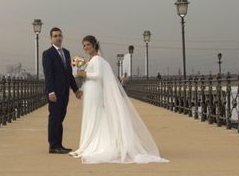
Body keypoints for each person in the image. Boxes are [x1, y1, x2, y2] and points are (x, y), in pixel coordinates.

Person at [70, 35, 168, 164]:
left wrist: (85, 73)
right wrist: (79, 78)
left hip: (95, 91)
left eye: (88, 44)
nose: (85, 47)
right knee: (91, 116)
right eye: (84, 45)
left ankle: (94, 143)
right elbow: (84, 77)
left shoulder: (98, 59)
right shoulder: (90, 60)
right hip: (89, 91)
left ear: (94, 45)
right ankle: (88, 143)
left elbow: (99, 76)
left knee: (95, 115)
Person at [43, 27, 82, 154]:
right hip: (54, 93)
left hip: (65, 91)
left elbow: (69, 74)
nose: (58, 38)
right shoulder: (47, 54)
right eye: (55, 36)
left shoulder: (66, 52)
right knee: (54, 118)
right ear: (51, 38)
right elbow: (48, 74)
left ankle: (59, 144)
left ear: (62, 37)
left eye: (59, 35)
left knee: (60, 117)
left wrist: (75, 90)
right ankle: (53, 146)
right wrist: (50, 92)